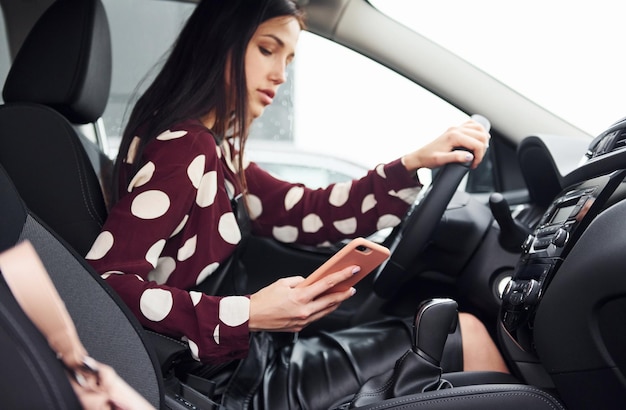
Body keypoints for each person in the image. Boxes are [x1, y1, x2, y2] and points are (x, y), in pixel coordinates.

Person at [86, 0, 508, 408]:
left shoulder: (217, 152)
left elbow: (307, 212)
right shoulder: (186, 148)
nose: (280, 74)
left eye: (287, 59)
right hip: (223, 385)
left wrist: (411, 164)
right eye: (267, 49)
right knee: (460, 332)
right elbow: (105, 284)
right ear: (220, 42)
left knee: (449, 334)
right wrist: (248, 313)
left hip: (247, 361)